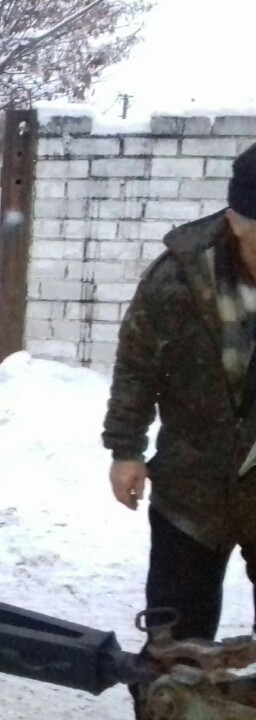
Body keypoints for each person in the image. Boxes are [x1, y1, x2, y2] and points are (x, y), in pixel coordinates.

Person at [103, 142, 256, 717]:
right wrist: (125, 449)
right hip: (190, 483)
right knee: (173, 649)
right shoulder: (181, 274)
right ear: (236, 220)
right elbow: (137, 363)